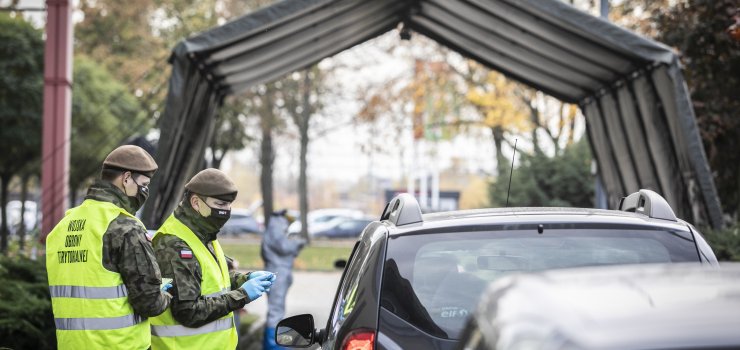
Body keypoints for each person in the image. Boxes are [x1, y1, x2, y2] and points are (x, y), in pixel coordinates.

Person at [46, 145, 172, 350]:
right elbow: (150, 303)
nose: (145, 192)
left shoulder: (61, 227)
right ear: (126, 178)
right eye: (144, 184)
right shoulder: (125, 227)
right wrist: (166, 292)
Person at [150, 168, 275, 350]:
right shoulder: (174, 243)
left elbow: (213, 282)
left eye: (228, 205)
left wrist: (245, 279)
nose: (226, 211)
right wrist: (242, 295)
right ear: (195, 202)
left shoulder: (204, 234)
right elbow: (189, 311)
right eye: (220, 204)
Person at [261, 210, 306, 350]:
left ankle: (275, 342)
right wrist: (298, 243)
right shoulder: (276, 226)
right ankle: (273, 344)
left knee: (278, 309)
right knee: (276, 309)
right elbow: (284, 247)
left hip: (281, 269)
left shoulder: (278, 226)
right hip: (277, 270)